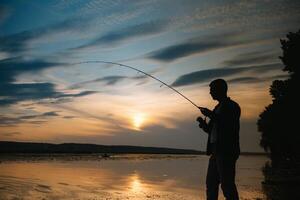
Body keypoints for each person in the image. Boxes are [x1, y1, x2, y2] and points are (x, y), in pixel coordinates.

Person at [197, 79, 240, 200]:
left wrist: (210, 114)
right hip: (215, 152)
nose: (210, 93)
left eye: (212, 90)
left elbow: (226, 123)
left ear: (220, 90)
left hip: (226, 151)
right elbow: (211, 130)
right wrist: (202, 123)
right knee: (211, 184)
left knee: (227, 186)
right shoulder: (217, 108)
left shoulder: (232, 106)